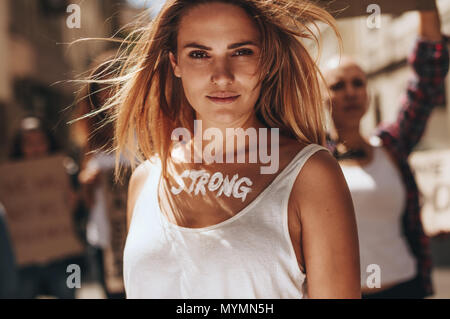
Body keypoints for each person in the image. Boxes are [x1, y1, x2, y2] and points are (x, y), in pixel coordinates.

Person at [86, 0, 361, 299]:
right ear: (175, 63)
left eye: (241, 52)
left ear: (265, 60)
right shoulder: (145, 179)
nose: (222, 75)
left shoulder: (310, 175)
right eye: (199, 54)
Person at [322, 3, 449, 298]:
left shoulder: (392, 146)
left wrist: (426, 9)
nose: (351, 91)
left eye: (358, 83)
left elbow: (426, 85)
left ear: (368, 93)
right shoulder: (311, 159)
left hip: (406, 287)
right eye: (338, 85)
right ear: (320, 97)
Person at [73, 52, 127, 299]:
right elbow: (88, 200)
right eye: (102, 87)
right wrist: (87, 181)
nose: (109, 92)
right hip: (105, 239)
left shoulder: (149, 128)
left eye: (115, 83)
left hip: (139, 236)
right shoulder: (91, 136)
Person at [9, 116, 81, 299]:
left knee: (70, 293)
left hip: (66, 260)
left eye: (39, 142)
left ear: (49, 142)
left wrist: (75, 202)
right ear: (20, 147)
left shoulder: (68, 171)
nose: (35, 148)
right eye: (28, 143)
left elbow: (83, 214)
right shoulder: (8, 181)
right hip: (25, 263)